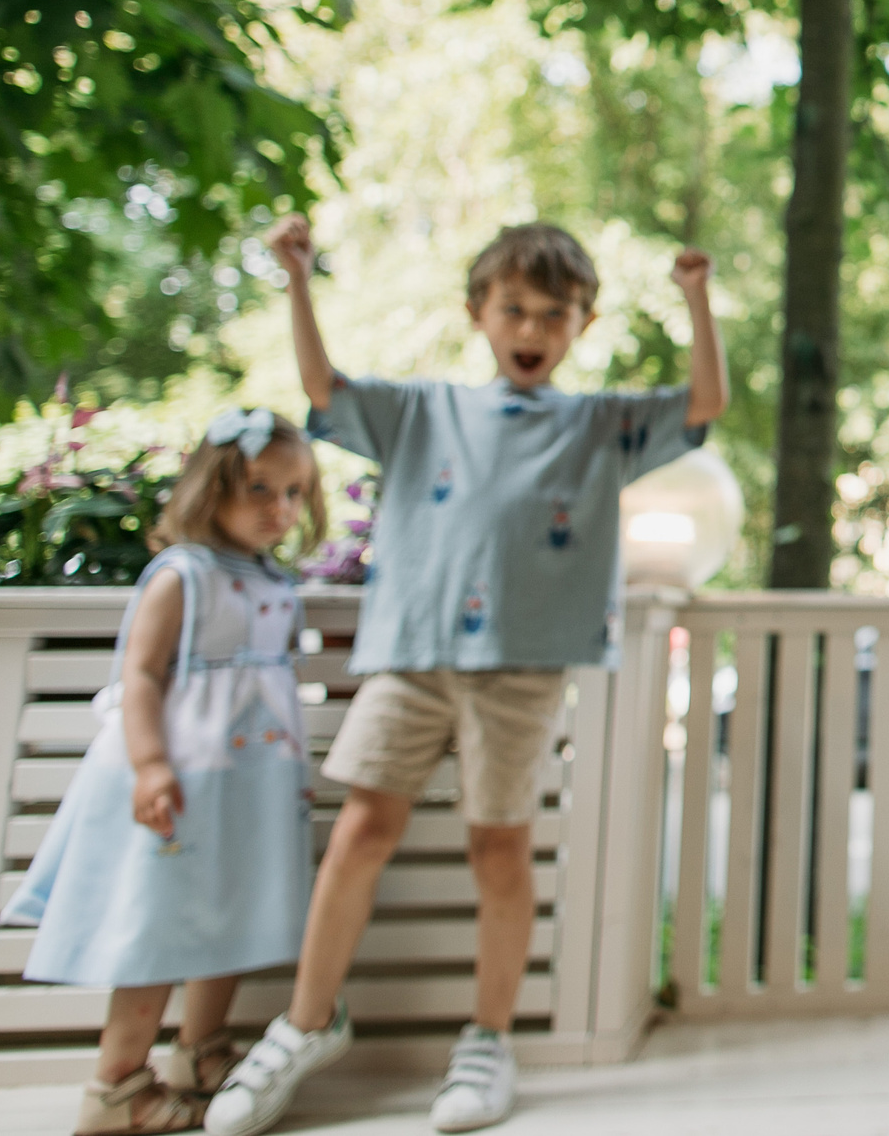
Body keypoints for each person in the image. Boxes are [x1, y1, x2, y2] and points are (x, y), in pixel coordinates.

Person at [206, 220, 727, 1136]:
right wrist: (296, 279)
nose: (532, 326)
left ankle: (488, 1039)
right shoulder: (421, 410)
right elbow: (323, 391)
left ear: (582, 323)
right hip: (411, 657)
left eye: (554, 314)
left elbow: (700, 407)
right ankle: (305, 1021)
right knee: (361, 829)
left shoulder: (601, 423)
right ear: (479, 314)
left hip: (520, 672)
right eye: (514, 308)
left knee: (501, 848)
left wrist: (695, 299)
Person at [1, 411, 325, 1135]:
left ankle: (199, 1050)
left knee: (232, 918)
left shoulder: (274, 580)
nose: (281, 508)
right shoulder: (186, 575)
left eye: (295, 492)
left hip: (249, 787)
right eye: (260, 488)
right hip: (180, 783)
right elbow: (142, 674)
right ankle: (117, 1085)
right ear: (212, 489)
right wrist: (150, 764)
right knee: (155, 929)